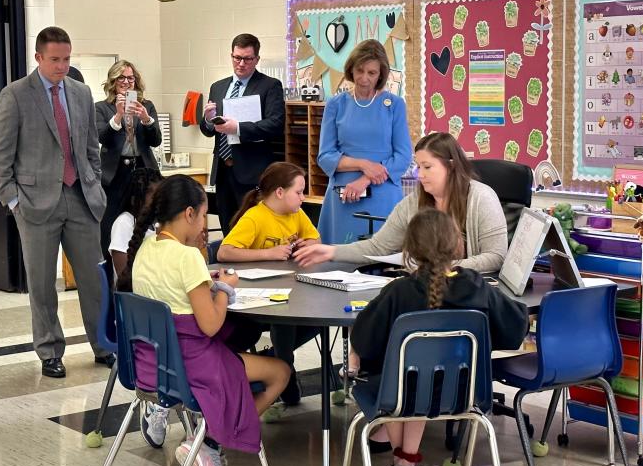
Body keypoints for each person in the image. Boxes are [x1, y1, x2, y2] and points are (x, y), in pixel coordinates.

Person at [117, 175, 290, 466]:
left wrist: (204, 282)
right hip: (191, 365)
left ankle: (206, 441)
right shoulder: (187, 258)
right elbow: (210, 326)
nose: (203, 227)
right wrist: (225, 289)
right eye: (203, 216)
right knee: (281, 372)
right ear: (188, 214)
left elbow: (175, 299)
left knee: (237, 344)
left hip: (153, 367)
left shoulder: (145, 249)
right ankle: (209, 443)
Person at [350, 208, 529, 466]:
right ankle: (404, 463)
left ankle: (404, 465)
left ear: (409, 249)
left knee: (391, 371)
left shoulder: (399, 291)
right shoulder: (477, 285)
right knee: (419, 377)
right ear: (458, 244)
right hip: (464, 393)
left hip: (401, 394)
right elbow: (515, 328)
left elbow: (365, 339)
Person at [0, 26, 112, 378]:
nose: (62, 66)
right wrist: (14, 202)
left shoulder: (81, 92)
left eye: (67, 59)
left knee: (94, 279)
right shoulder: (15, 95)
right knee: (42, 284)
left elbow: (90, 148)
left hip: (81, 198)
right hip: (35, 203)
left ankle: (103, 345)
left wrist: (94, 183)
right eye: (55, 59)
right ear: (38, 57)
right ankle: (49, 350)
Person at [296, 132, 508, 273]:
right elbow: (378, 247)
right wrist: (331, 251)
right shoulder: (414, 201)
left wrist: (444, 268)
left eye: (427, 167)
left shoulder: (482, 197)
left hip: (468, 290)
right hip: (423, 289)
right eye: (418, 167)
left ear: (451, 167)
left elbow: (495, 256)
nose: (420, 175)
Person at [217, 162, 320, 411]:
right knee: (284, 320)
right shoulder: (256, 216)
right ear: (279, 192)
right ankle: (284, 369)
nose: (303, 197)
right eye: (299, 192)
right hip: (255, 297)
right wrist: (271, 253)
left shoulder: (296, 213)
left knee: (317, 320)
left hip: (291, 290)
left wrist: (304, 245)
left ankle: (273, 359)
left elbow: (315, 239)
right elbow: (224, 251)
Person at [316, 39, 412, 244]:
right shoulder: (335, 104)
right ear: (351, 69)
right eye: (359, 70)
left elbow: (403, 156)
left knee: (383, 264)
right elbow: (325, 157)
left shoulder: (394, 105)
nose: (364, 78)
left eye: (372, 73)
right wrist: (363, 164)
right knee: (337, 265)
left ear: (381, 74)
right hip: (343, 196)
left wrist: (365, 179)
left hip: (382, 193)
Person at [199, 33, 285, 235]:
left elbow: (275, 125)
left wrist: (237, 128)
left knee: (252, 231)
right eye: (236, 58)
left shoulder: (269, 86)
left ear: (257, 59)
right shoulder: (218, 87)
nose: (241, 63)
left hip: (252, 171)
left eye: (247, 59)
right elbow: (207, 130)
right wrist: (208, 120)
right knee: (228, 230)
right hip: (223, 171)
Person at [95, 60, 162, 260]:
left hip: (142, 173)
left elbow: (156, 140)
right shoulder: (101, 108)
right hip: (114, 176)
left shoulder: (147, 105)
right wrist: (118, 116)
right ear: (113, 82)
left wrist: (146, 119)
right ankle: (110, 276)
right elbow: (102, 138)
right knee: (109, 226)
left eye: (130, 78)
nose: (126, 82)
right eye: (121, 78)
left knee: (147, 224)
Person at [109, 167, 163, 277]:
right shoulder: (124, 223)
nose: (157, 198)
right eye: (150, 193)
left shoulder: (155, 224)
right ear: (134, 199)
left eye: (160, 193)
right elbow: (122, 274)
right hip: (134, 292)